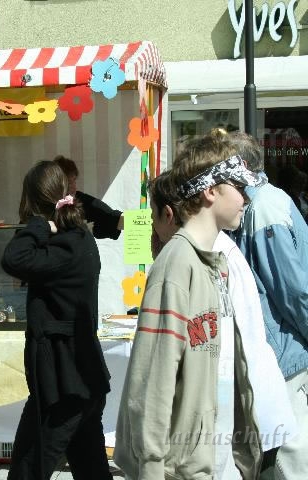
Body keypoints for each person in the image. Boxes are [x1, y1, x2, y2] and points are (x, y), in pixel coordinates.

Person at [115, 132, 264, 479]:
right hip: (175, 468)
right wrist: (152, 466)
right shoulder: (177, 266)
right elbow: (152, 380)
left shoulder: (210, 263)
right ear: (210, 191)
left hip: (204, 461)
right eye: (238, 187)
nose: (245, 198)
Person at [150, 169, 297, 456]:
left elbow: (213, 347)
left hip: (234, 415)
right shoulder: (212, 249)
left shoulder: (201, 256)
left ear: (167, 214)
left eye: (153, 217)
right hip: (243, 409)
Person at [1, 160, 111, 480]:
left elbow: (13, 258)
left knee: (27, 472)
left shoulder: (65, 244)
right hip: (80, 380)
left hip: (63, 384)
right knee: (92, 471)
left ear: (32, 201)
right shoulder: (78, 238)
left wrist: (39, 225)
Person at [228, 131, 308, 480]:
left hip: (285, 350)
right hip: (282, 346)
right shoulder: (259, 203)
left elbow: (293, 291)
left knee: (291, 454)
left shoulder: (263, 207)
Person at [53, 155, 123, 238]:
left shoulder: (80, 199)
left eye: (74, 180)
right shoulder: (47, 206)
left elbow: (110, 216)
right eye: (69, 183)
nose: (74, 187)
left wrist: (134, 221)